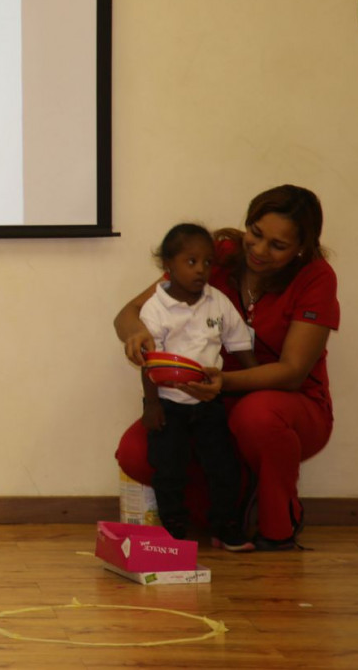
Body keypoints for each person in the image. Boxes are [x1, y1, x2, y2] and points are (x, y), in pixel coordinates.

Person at [114, 185, 338, 551]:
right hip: (207, 399)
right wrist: (138, 335)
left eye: (278, 246)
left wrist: (221, 381)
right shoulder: (215, 253)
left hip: (285, 404)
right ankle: (230, 509)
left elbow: (293, 371)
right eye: (256, 233)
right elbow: (129, 314)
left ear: (301, 248)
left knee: (256, 416)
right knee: (138, 452)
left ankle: (278, 525)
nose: (260, 251)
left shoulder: (316, 277)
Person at [136, 224, 258, 551]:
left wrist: (260, 381)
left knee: (223, 467)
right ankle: (174, 529)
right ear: (168, 266)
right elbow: (149, 362)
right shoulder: (155, 309)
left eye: (207, 263)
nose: (201, 270)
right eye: (191, 262)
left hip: (208, 404)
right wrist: (152, 405)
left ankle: (225, 526)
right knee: (169, 470)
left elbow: (239, 345)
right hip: (169, 404)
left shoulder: (217, 303)